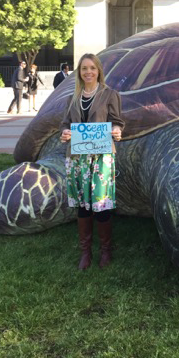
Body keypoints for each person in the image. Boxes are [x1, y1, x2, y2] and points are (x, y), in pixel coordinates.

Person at [60, 53, 124, 270]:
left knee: (101, 203)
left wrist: (116, 130)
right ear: (79, 72)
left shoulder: (109, 95)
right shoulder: (73, 98)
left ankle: (106, 250)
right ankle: (85, 252)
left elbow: (117, 121)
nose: (88, 72)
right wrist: (65, 133)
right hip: (77, 157)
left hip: (101, 157)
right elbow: (66, 124)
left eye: (92, 68)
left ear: (99, 71)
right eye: (84, 68)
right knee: (83, 205)